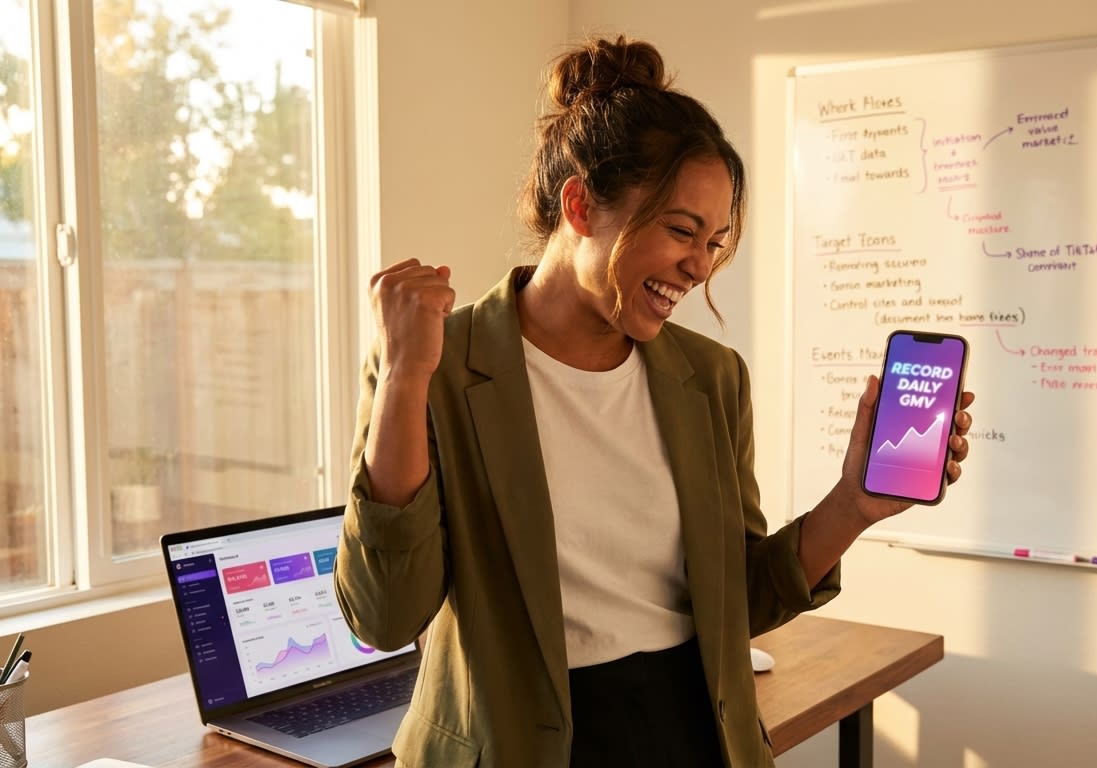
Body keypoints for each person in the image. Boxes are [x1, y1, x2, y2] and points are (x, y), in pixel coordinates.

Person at [334, 34, 975, 768]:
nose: (699, 266)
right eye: (681, 231)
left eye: (715, 242)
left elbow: (737, 601)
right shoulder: (437, 367)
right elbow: (385, 615)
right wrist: (405, 376)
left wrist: (855, 502)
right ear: (579, 204)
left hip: (692, 735)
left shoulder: (711, 380)